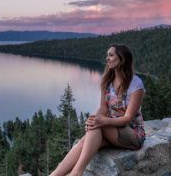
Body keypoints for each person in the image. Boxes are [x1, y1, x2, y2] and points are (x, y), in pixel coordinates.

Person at [50, 44, 146, 176]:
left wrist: (101, 121)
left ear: (122, 59)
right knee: (84, 142)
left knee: (97, 126)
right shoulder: (108, 81)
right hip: (113, 131)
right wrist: (95, 119)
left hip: (132, 134)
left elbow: (128, 118)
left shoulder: (136, 84)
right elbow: (103, 107)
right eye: (107, 55)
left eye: (111, 55)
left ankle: (76, 173)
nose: (107, 58)